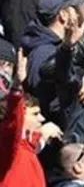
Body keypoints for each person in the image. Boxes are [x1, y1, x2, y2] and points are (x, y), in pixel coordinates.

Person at [20, 0, 84, 126]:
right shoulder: (43, 51)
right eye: (74, 10)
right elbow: (44, 95)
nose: (78, 15)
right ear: (63, 15)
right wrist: (81, 80)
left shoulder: (51, 47)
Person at [0, 54, 63, 187]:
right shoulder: (9, 146)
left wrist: (42, 138)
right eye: (35, 114)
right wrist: (16, 88)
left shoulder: (28, 148)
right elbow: (12, 125)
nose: (42, 118)